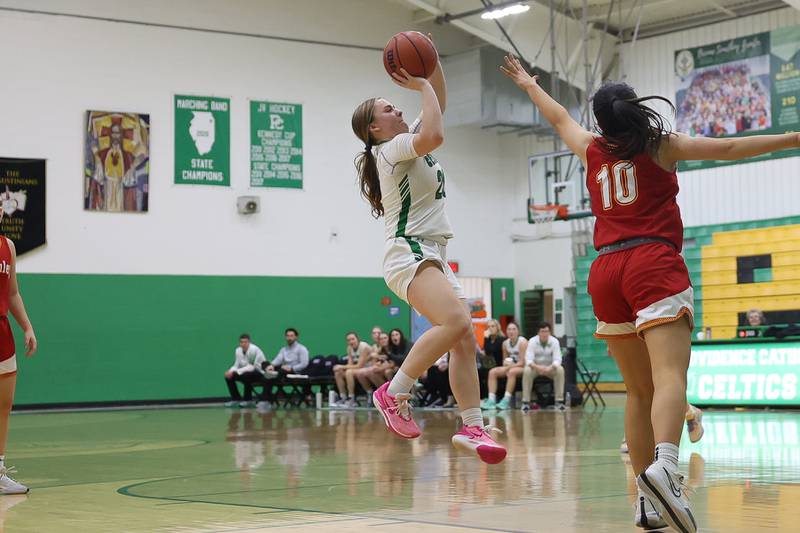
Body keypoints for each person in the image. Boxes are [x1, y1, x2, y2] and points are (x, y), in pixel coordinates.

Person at [502, 53, 799, 532]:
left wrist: (529, 83)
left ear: (601, 120)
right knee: (669, 376)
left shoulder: (591, 150)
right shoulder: (663, 145)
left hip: (604, 271)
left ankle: (645, 499)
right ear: (635, 110)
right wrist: (794, 137)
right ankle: (667, 466)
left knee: (638, 392)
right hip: (651, 261)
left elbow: (557, 114)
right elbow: (729, 149)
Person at [351, 41, 505, 464]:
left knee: (463, 341)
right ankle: (393, 392)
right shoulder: (390, 150)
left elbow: (440, 98)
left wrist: (430, 62)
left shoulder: (405, 140)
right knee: (455, 321)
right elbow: (435, 131)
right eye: (387, 109)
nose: (396, 110)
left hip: (431, 251)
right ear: (374, 129)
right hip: (408, 251)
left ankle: (472, 425)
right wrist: (420, 83)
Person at [0, 235, 37, 494]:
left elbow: (12, 292)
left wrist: (27, 326)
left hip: (2, 331)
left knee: (3, 404)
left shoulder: (8, 247)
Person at [481, 322, 527, 410]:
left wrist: (509, 367)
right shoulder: (505, 343)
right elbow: (504, 360)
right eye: (509, 329)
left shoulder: (522, 342)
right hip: (511, 367)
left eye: (514, 329)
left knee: (511, 372)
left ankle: (506, 400)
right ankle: (491, 400)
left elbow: (522, 363)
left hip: (523, 367)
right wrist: (506, 363)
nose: (511, 331)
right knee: (492, 372)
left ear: (518, 331)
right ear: (506, 331)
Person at [521, 322, 565, 411]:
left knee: (560, 370)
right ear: (538, 333)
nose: (545, 334)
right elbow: (528, 359)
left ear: (549, 332)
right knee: (527, 370)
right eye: (542, 331)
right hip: (535, 368)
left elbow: (558, 359)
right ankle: (526, 402)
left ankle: (559, 401)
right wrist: (538, 367)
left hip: (550, 368)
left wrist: (550, 368)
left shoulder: (554, 341)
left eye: (547, 331)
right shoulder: (532, 341)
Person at [261, 328, 309, 405]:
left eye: (291, 336)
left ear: (296, 337)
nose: (289, 338)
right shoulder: (284, 349)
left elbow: (304, 364)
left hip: (295, 372)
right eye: (287, 336)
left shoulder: (302, 349)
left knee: (275, 374)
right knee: (265, 364)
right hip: (283, 371)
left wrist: (291, 368)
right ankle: (265, 398)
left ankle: (265, 398)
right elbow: (278, 360)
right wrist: (271, 365)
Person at [224, 334, 266, 408]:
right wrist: (230, 371)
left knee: (247, 375)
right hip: (245, 373)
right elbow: (236, 364)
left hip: (259, 373)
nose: (243, 344)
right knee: (229, 377)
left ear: (249, 342)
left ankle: (248, 400)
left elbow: (252, 367)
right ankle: (236, 399)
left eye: (245, 342)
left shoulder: (254, 349)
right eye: (241, 342)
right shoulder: (238, 350)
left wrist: (236, 371)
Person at [333, 332, 371, 406]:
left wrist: (341, 366)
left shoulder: (364, 347)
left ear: (358, 339)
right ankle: (343, 397)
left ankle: (351, 398)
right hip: (358, 369)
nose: (351, 341)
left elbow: (359, 365)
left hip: (368, 368)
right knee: (338, 373)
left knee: (349, 372)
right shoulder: (349, 348)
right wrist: (341, 368)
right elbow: (350, 364)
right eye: (349, 340)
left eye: (353, 339)